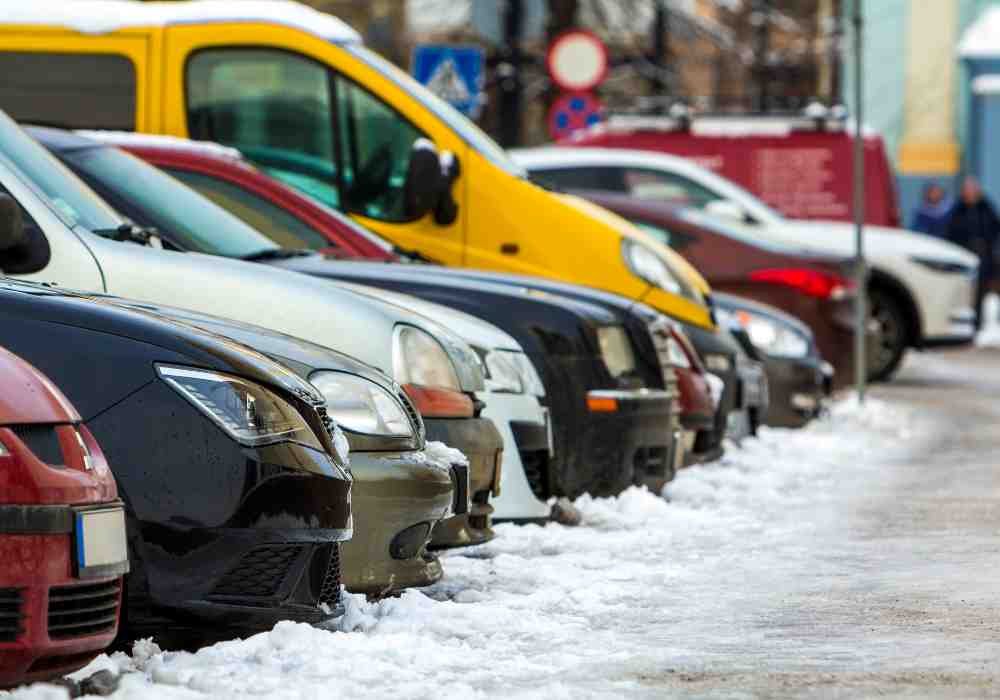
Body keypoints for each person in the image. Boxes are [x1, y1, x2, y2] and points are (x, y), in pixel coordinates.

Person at [946, 175, 999, 328]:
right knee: (963, 290)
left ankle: (978, 323)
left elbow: (995, 229)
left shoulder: (986, 207)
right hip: (963, 255)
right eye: (967, 189)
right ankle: (961, 322)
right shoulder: (958, 210)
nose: (969, 192)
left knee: (980, 291)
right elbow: (951, 233)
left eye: (972, 189)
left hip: (983, 255)